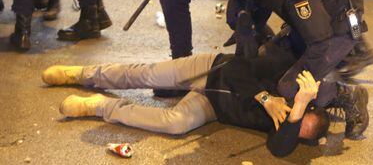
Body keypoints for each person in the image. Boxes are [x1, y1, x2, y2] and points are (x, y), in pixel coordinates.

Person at [215, 0, 373, 139]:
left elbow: (320, 42)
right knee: (267, 60)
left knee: (289, 88)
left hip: (336, 27)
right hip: (313, 20)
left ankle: (345, 94)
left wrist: (305, 90)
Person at [41, 51, 332, 157]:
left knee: (176, 123)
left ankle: (98, 106)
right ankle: (81, 74)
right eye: (300, 115)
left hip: (213, 106)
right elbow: (236, 68)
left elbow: (279, 149)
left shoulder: (290, 124)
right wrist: (266, 98)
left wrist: (294, 116)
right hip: (212, 68)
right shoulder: (289, 77)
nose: (291, 120)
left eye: (297, 129)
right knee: (147, 74)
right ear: (310, 104)